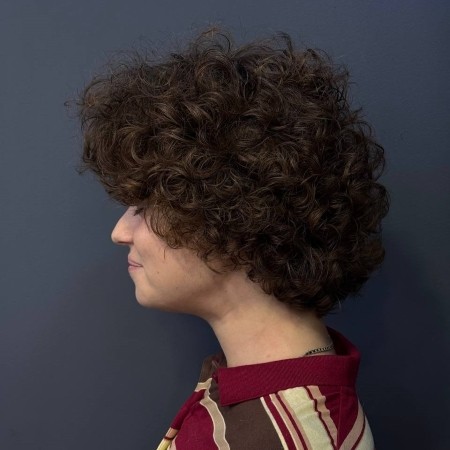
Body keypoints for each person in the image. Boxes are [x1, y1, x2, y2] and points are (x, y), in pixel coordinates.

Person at [77, 27, 389, 449]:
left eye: (146, 206)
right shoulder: (286, 395)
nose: (120, 232)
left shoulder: (269, 438)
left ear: (235, 216)